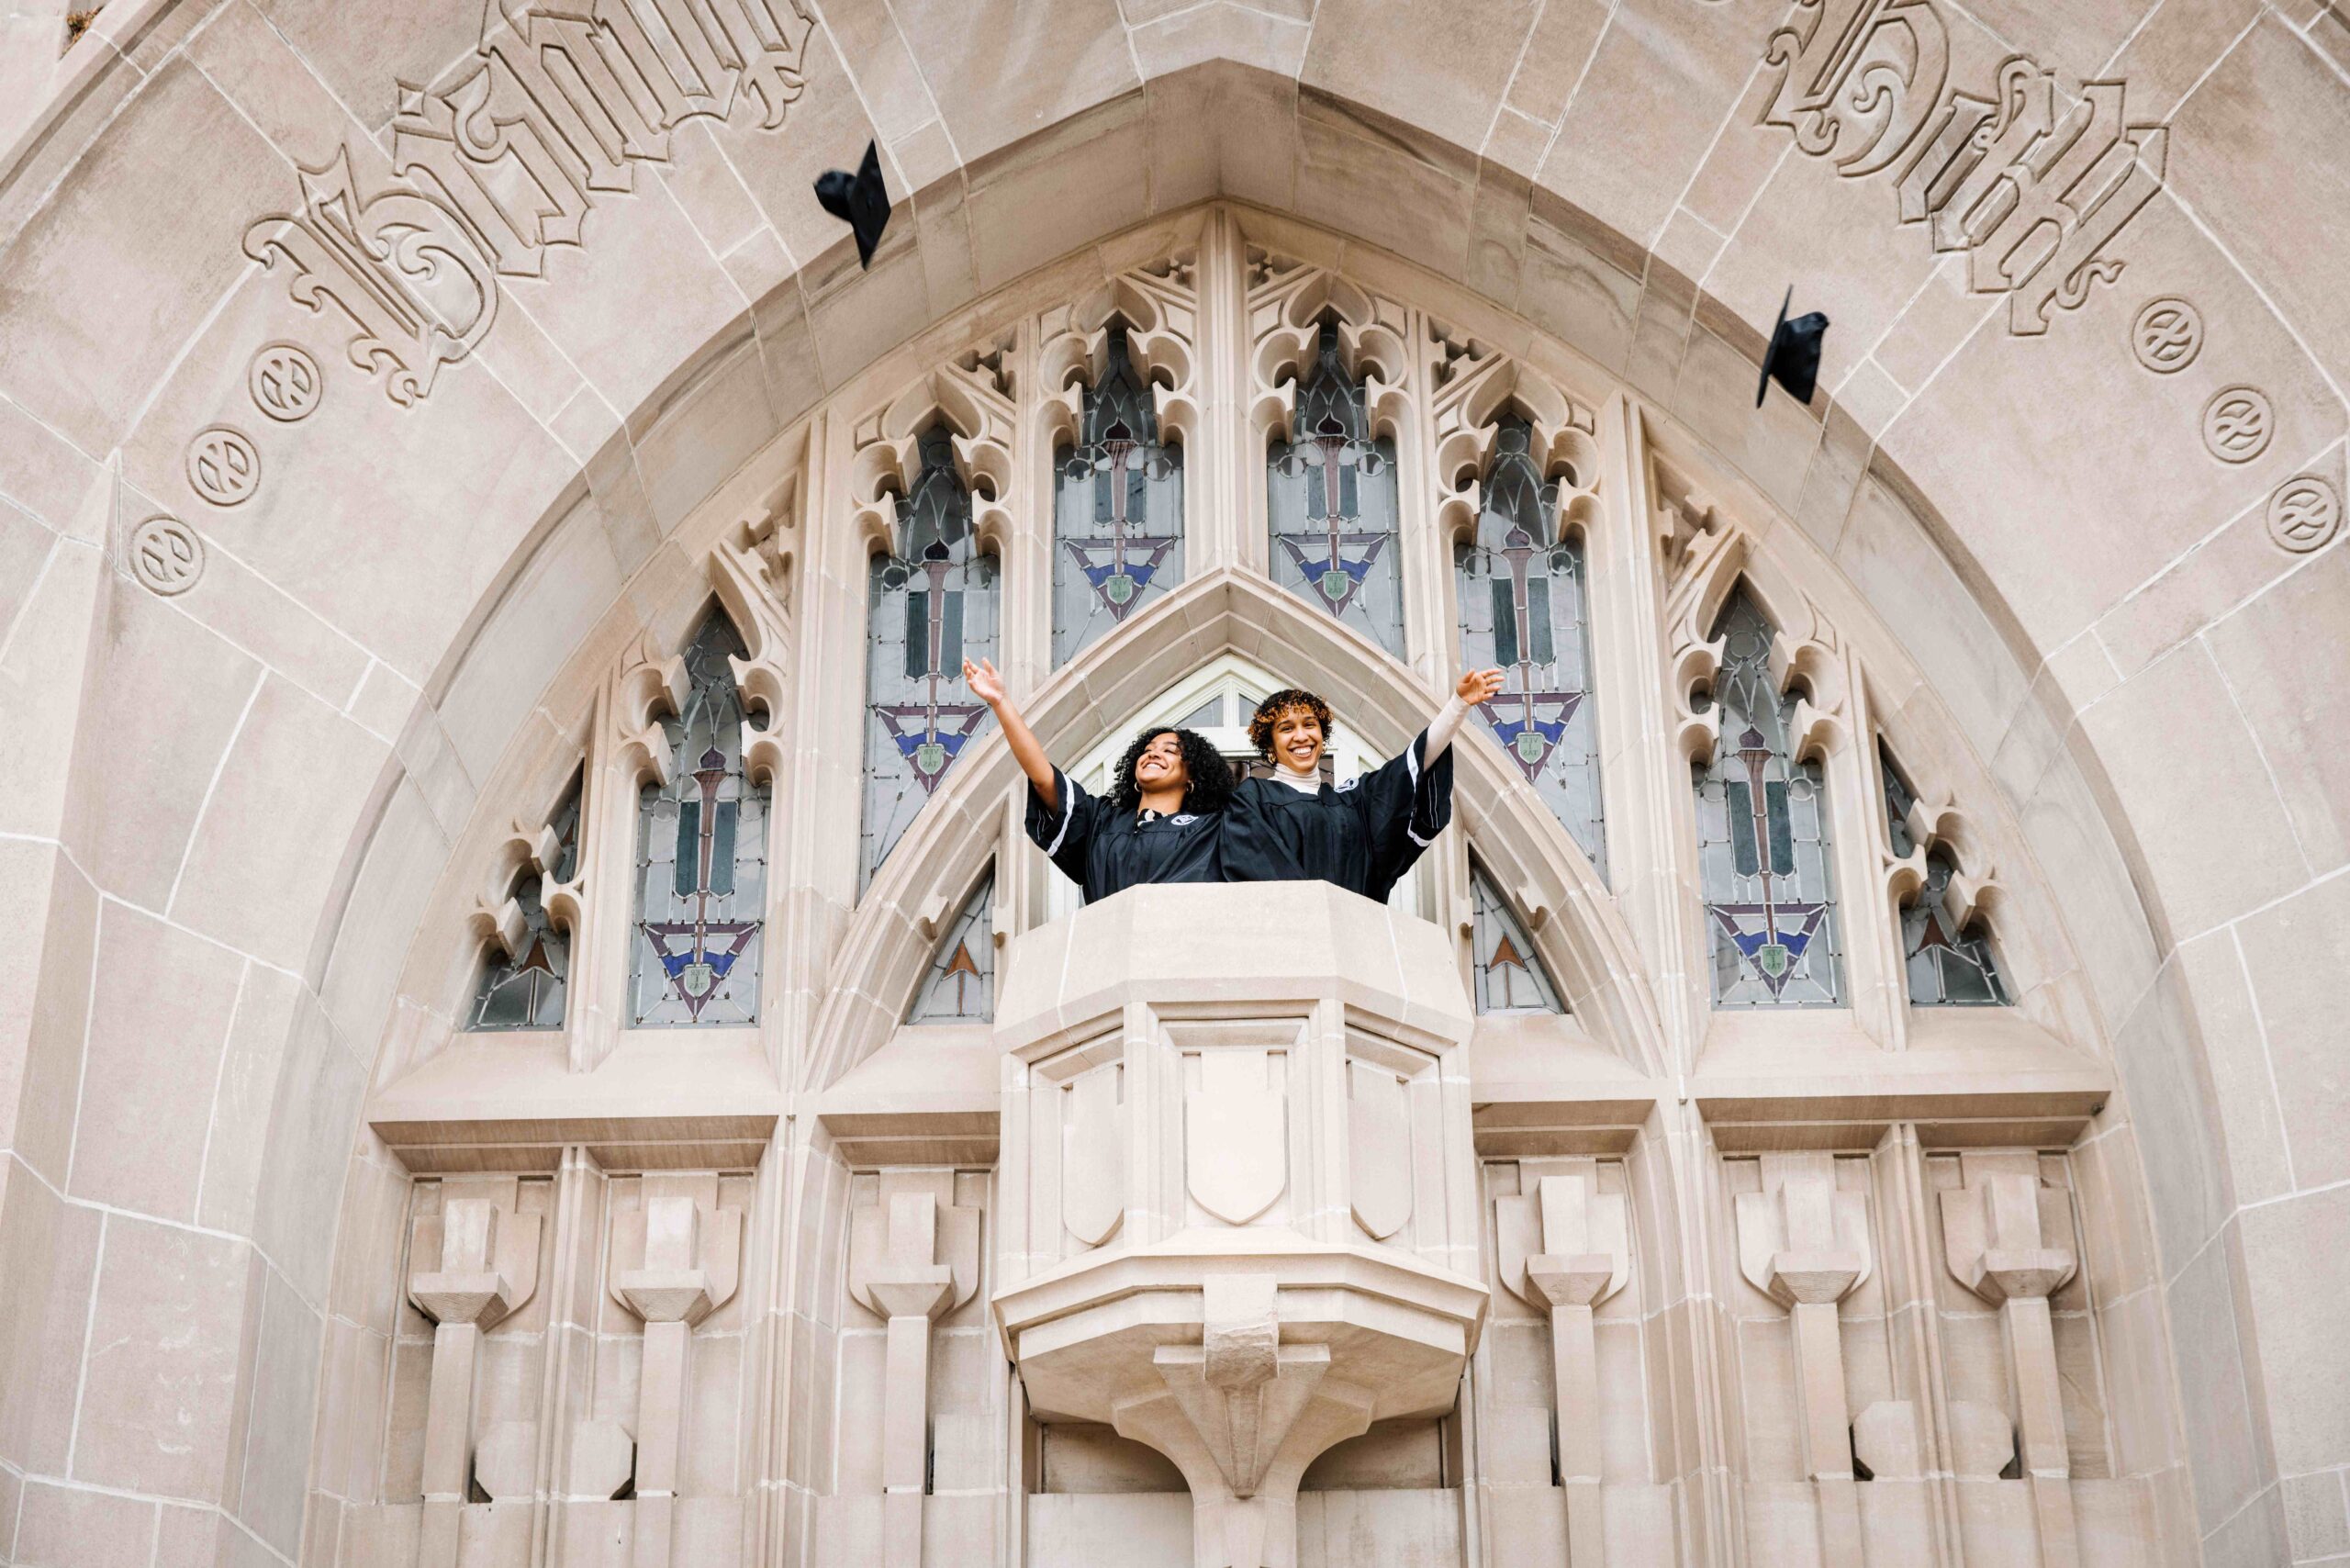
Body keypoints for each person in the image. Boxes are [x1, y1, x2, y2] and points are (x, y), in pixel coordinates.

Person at [1220, 669, 1506, 902]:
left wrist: (1457, 706)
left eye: (1309, 724)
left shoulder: (1352, 802)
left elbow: (1409, 769)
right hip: (1291, 948)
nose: (1301, 736)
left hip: (1355, 944)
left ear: (1322, 736)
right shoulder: (1253, 799)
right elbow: (1254, 875)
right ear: (1270, 747)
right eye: (1287, 728)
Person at [963, 657, 1234, 902]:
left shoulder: (1210, 829)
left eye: (1170, 751)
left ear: (1192, 778)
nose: (1154, 754)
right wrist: (1001, 703)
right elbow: (1043, 778)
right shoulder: (1101, 822)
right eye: (1148, 749)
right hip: (1105, 947)